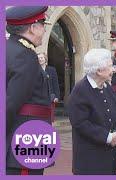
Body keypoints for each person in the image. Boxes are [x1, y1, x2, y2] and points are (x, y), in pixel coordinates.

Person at [6, 6, 52, 175]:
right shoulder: (25, 55)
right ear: (33, 28)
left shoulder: (10, 49)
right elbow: (10, 103)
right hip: (25, 139)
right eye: (42, 24)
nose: (44, 29)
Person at [68, 49, 116, 175]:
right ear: (98, 71)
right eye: (109, 67)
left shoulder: (107, 87)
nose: (113, 69)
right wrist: (107, 137)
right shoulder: (80, 90)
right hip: (90, 161)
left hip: (109, 159)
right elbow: (80, 123)